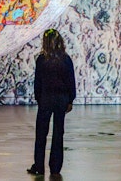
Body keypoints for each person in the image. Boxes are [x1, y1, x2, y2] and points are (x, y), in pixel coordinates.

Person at [27, 28, 76, 177]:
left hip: (46, 99)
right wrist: (70, 99)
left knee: (41, 134)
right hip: (61, 99)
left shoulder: (42, 59)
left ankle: (39, 166)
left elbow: (38, 83)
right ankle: (55, 168)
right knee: (58, 133)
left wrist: (38, 98)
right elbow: (70, 81)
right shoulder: (66, 59)